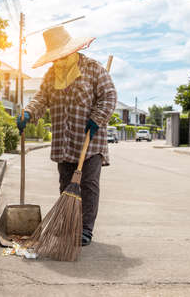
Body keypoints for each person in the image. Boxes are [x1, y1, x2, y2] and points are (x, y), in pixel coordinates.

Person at [17, 25, 117, 246]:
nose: (59, 62)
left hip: (90, 141)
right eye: (56, 58)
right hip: (64, 141)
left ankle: (86, 229)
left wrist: (97, 118)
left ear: (72, 50)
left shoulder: (93, 69)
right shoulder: (52, 75)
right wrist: (29, 112)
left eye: (62, 56)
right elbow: (40, 99)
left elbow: (109, 96)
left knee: (88, 184)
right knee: (66, 184)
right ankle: (69, 224)